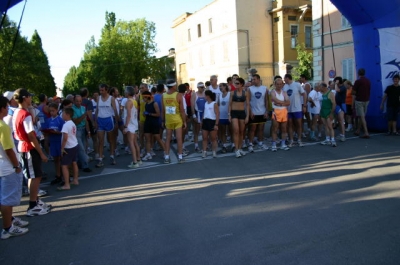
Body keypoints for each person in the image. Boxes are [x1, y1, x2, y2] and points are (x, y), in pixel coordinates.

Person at [12, 88, 50, 216]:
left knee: (34, 175)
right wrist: (41, 153)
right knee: (35, 176)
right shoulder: (25, 114)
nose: (31, 98)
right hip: (29, 148)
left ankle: (35, 200)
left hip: (25, 147)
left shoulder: (18, 112)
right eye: (29, 96)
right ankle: (32, 205)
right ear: (24, 98)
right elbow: (31, 136)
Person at [0, 95, 29, 239]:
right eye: (6, 106)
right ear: (2, 108)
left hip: (2, 167)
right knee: (7, 199)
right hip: (7, 167)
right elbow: (8, 149)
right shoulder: (3, 127)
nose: (8, 109)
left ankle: (9, 220)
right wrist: (17, 165)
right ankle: (7, 228)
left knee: (3, 198)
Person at [162, 80, 187, 164]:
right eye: (175, 85)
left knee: (168, 139)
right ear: (173, 86)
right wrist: (184, 121)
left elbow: (163, 110)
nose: (176, 87)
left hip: (168, 120)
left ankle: (167, 157)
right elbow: (182, 110)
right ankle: (180, 157)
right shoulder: (178, 95)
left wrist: (163, 120)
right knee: (179, 138)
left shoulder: (164, 95)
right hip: (177, 120)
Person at [94, 84, 119, 167]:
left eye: (102, 90)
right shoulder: (98, 98)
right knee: (100, 141)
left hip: (109, 120)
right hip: (100, 120)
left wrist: (116, 122)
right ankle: (100, 159)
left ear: (106, 90)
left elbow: (115, 110)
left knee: (110, 140)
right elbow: (97, 109)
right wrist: (95, 121)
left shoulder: (111, 98)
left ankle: (112, 156)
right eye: (100, 90)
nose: (101, 92)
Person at [58, 107, 79, 191]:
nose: (62, 115)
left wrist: (62, 148)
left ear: (67, 115)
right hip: (74, 144)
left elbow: (65, 138)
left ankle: (67, 184)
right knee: (74, 163)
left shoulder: (66, 125)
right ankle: (75, 180)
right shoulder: (72, 123)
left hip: (69, 146)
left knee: (64, 165)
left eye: (63, 114)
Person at [283, 74, 307, 147]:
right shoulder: (285, 86)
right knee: (289, 124)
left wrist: (304, 105)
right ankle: (291, 140)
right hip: (288, 109)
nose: (284, 80)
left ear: (288, 78)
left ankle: (299, 139)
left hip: (297, 108)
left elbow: (304, 94)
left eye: (285, 79)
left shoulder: (297, 85)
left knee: (298, 124)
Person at [247, 74, 269, 152]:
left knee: (261, 129)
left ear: (259, 80)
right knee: (252, 129)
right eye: (252, 79)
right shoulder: (250, 89)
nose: (253, 81)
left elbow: (266, 100)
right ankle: (250, 144)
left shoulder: (264, 88)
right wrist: (250, 111)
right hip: (254, 112)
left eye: (254, 79)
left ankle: (260, 143)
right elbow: (248, 101)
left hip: (262, 112)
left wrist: (266, 111)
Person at [141, 91, 166, 160]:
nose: (143, 99)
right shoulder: (146, 104)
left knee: (158, 138)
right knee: (147, 139)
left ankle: (165, 152)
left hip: (154, 123)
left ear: (148, 97)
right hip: (147, 122)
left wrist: (149, 114)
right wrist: (145, 114)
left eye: (144, 97)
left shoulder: (154, 103)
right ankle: (148, 153)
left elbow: (158, 114)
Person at [228, 77, 249, 158]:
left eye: (237, 83)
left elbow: (247, 105)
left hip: (242, 113)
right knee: (236, 130)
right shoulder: (232, 93)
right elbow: (229, 104)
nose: (235, 85)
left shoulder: (245, 93)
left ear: (241, 84)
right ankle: (236, 149)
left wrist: (247, 116)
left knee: (241, 131)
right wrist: (229, 114)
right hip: (234, 113)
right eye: (235, 83)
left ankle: (240, 148)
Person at [270, 78, 291, 151]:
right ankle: (274, 144)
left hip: (284, 111)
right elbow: (275, 100)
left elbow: (288, 102)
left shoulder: (284, 92)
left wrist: (280, 104)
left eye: (280, 84)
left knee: (284, 129)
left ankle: (283, 144)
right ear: (275, 84)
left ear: (282, 84)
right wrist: (283, 103)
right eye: (277, 84)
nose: (279, 85)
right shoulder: (273, 92)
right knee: (275, 128)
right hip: (276, 111)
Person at [72, 95, 91, 172]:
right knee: (81, 148)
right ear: (74, 101)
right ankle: (85, 165)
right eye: (77, 101)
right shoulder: (72, 109)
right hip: (77, 130)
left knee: (84, 147)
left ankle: (80, 163)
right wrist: (84, 115)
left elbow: (85, 121)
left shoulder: (83, 108)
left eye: (80, 101)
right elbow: (76, 121)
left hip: (83, 129)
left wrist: (88, 131)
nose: (79, 103)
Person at [47, 103, 65, 185]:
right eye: (50, 111)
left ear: (57, 110)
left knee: (62, 159)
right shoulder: (49, 120)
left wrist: (57, 132)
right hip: (52, 141)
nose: (51, 113)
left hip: (59, 141)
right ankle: (58, 175)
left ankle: (64, 176)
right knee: (55, 160)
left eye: (53, 111)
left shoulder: (60, 120)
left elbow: (63, 132)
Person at [123, 86, 140, 169]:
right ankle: (138, 159)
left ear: (127, 93)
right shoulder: (134, 101)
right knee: (135, 142)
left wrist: (125, 126)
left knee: (131, 143)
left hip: (130, 125)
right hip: (135, 123)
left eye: (125, 91)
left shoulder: (128, 102)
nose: (124, 93)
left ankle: (135, 161)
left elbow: (128, 115)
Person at [352, 68, 371, 138]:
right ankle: (358, 130)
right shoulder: (368, 81)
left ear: (358, 73)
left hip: (359, 100)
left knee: (362, 116)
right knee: (362, 116)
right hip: (366, 100)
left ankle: (366, 132)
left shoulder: (358, 81)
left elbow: (353, 92)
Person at [201, 90, 219, 158]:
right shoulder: (205, 103)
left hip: (212, 121)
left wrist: (216, 124)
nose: (204, 96)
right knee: (204, 138)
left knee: (213, 138)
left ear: (208, 96)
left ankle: (214, 151)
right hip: (205, 121)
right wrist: (202, 121)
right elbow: (204, 113)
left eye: (205, 95)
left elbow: (217, 114)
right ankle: (204, 152)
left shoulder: (214, 103)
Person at [319, 83, 337, 147]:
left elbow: (334, 104)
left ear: (324, 87)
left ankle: (333, 140)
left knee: (330, 126)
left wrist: (331, 113)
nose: (320, 89)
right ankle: (327, 139)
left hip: (328, 111)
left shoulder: (330, 93)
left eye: (320, 87)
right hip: (323, 111)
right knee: (325, 126)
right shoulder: (323, 94)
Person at [191, 82, 206, 152]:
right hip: (198, 113)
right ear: (198, 87)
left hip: (205, 114)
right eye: (201, 87)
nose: (203, 88)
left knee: (205, 130)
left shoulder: (205, 94)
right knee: (196, 131)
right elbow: (192, 106)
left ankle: (205, 145)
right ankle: (196, 146)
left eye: (203, 87)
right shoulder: (194, 94)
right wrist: (194, 115)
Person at [218, 83, 231, 153]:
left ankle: (233, 144)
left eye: (221, 86)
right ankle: (224, 145)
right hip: (221, 116)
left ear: (225, 87)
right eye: (219, 87)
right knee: (222, 131)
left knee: (231, 131)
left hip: (229, 115)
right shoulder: (219, 95)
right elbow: (217, 105)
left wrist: (230, 114)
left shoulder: (230, 94)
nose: (220, 88)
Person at [333, 76, 347, 142]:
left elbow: (337, 90)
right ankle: (341, 134)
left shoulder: (343, 87)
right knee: (339, 121)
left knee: (341, 121)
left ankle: (343, 135)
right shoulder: (340, 87)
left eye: (335, 82)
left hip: (341, 105)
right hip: (338, 105)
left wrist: (336, 84)